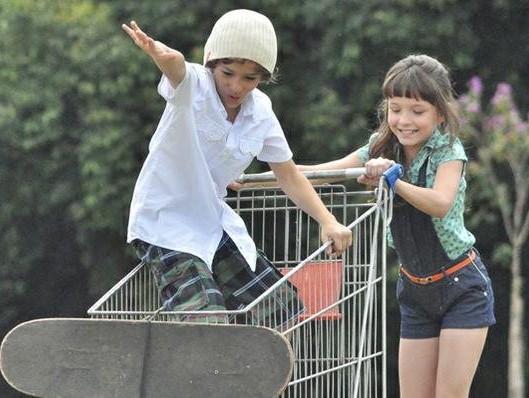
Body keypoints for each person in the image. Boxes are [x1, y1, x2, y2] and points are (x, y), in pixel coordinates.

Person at [121, 10, 352, 329]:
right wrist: (163, 57)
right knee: (207, 319)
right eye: (227, 73)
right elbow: (178, 71)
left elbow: (288, 175)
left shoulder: (261, 112)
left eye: (250, 78)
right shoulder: (195, 88)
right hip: (164, 224)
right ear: (211, 61)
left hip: (212, 221)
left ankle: (257, 378)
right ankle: (199, 375)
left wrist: (327, 220)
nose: (236, 86)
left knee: (278, 311)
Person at [298, 54, 496, 397]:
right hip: (415, 291)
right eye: (395, 108)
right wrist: (253, 178)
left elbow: (440, 202)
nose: (404, 120)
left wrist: (393, 180)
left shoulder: (448, 151)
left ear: (439, 112)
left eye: (417, 112)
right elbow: (321, 172)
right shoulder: (381, 145)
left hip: (462, 287)